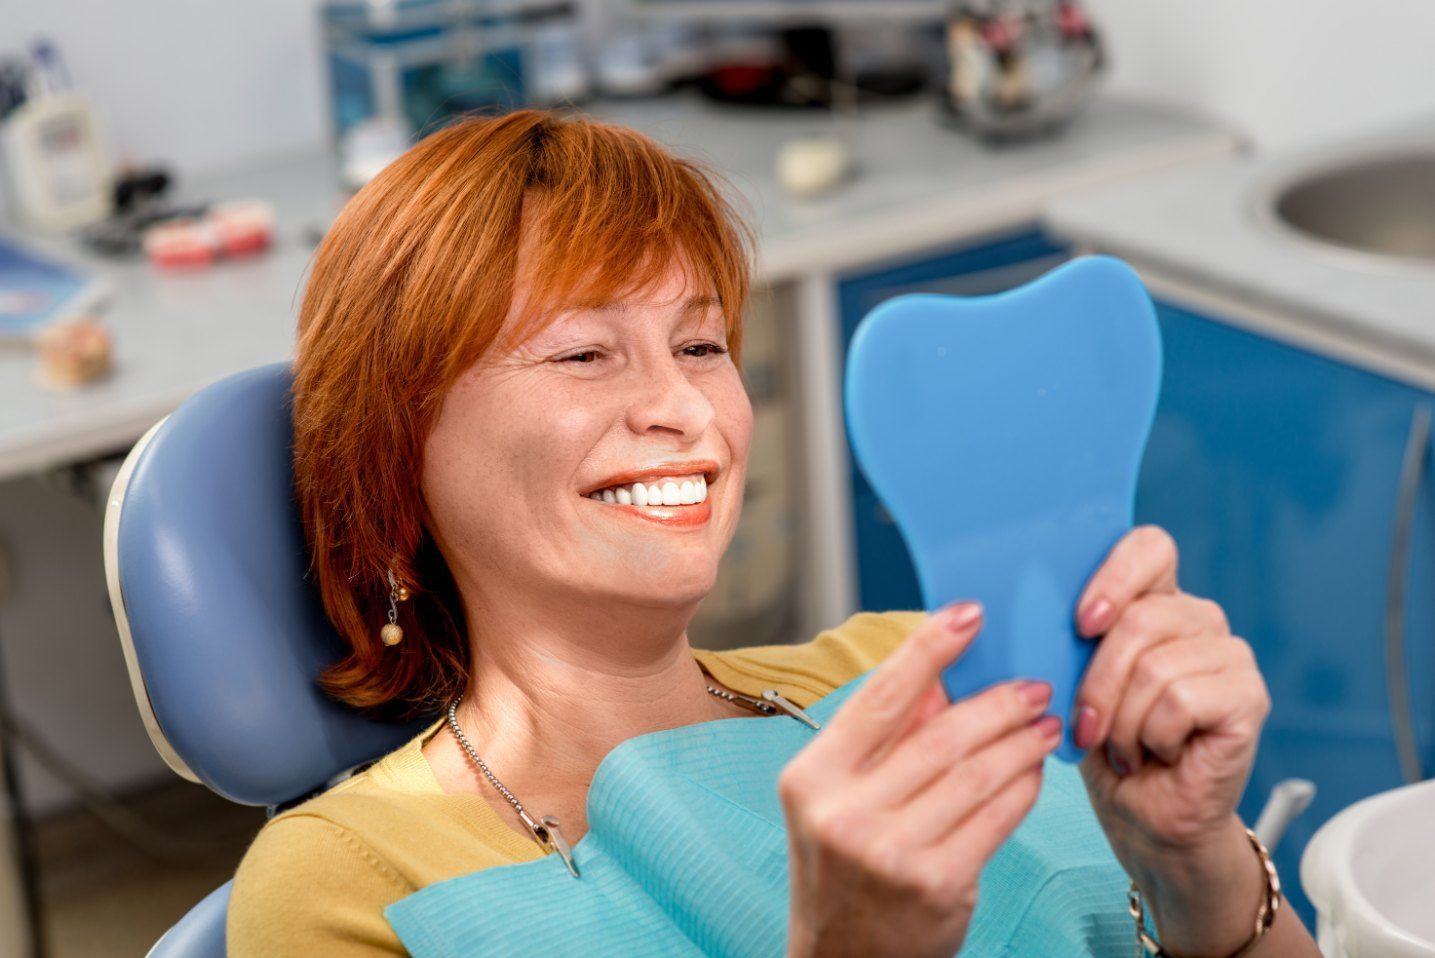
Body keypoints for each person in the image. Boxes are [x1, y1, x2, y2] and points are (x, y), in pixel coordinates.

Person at [227, 109, 1319, 957]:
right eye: (582, 354)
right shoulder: (347, 879)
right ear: (394, 446)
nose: (689, 412)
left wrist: (1197, 866)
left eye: (701, 347)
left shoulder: (919, 672)